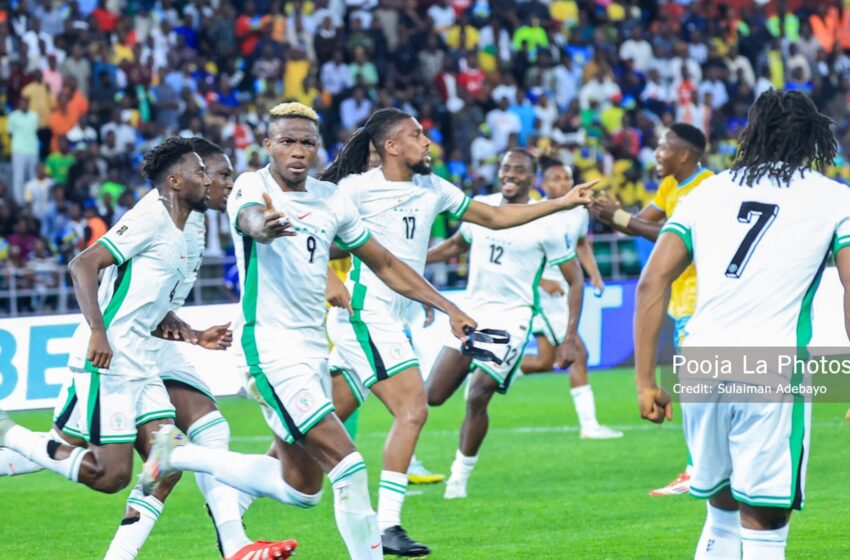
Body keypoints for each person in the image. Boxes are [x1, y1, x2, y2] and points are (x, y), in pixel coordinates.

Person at [137, 103, 477, 560]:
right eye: (287, 142)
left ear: (317, 148)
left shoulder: (331, 198)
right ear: (269, 146)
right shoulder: (250, 186)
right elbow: (249, 220)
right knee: (350, 465)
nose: (297, 151)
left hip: (315, 351)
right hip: (270, 351)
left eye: (307, 143)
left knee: (303, 488)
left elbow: (387, 265)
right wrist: (265, 226)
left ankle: (177, 455)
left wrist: (448, 306)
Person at [319, 108, 594, 556]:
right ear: (391, 146)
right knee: (414, 408)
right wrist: (330, 279)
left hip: (397, 315)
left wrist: (561, 203)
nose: (427, 141)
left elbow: (493, 217)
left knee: (304, 440)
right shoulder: (355, 189)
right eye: (416, 134)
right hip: (369, 314)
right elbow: (313, 235)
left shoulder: (433, 188)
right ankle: (387, 525)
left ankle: (233, 498)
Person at [633, 89, 850, 560]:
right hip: (772, 367)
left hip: (701, 362)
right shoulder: (834, 199)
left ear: (752, 133)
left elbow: (652, 282)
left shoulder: (707, 192)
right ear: (813, 138)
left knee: (721, 509)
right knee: (765, 520)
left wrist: (646, 381)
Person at [0, 137, 210, 499]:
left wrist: (188, 331)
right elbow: (82, 263)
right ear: (175, 181)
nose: (207, 179)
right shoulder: (151, 216)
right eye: (200, 172)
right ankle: (8, 433)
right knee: (110, 475)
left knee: (167, 464)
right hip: (109, 358)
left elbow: (142, 301)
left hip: (140, 360)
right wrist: (98, 331)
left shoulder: (181, 230)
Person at [425, 149, 586, 499]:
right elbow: (456, 245)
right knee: (432, 396)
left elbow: (576, 280)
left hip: (511, 318)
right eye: (505, 168)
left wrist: (570, 336)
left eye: (519, 170)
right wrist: (410, 261)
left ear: (532, 178)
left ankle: (458, 478)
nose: (510, 174)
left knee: (478, 392)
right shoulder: (481, 205)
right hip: (470, 313)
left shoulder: (549, 221)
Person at [592, 122, 712, 495]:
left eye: (663, 147)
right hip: (683, 298)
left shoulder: (707, 188)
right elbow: (643, 224)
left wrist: (622, 218)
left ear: (685, 154)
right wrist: (612, 214)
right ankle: (705, 467)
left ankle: (698, 471)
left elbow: (675, 238)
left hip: (704, 297)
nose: (656, 154)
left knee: (697, 388)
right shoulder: (670, 187)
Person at [519, 157, 621, 439]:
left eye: (565, 177)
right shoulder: (532, 211)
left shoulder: (578, 211)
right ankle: (589, 425)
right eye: (555, 178)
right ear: (542, 183)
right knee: (578, 353)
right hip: (543, 293)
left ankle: (493, 367)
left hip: (564, 290)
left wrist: (595, 275)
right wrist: (543, 280)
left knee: (544, 361)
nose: (562, 183)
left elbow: (581, 244)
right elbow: (520, 254)